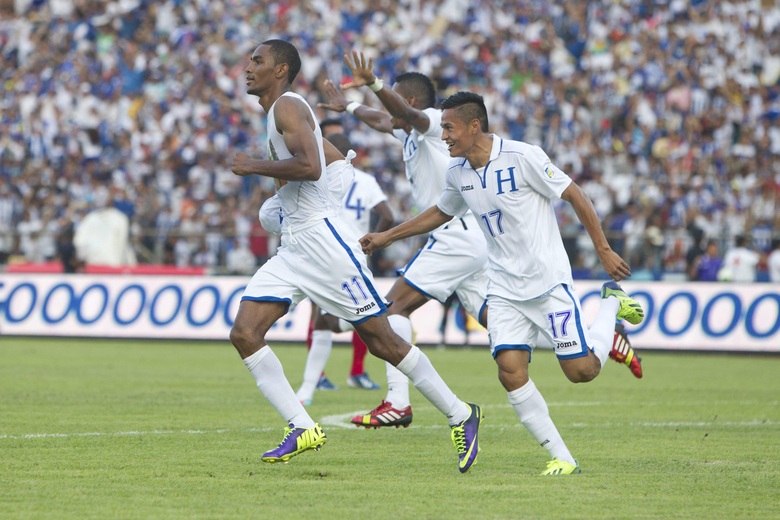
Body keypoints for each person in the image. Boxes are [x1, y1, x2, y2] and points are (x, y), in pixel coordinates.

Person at [360, 91, 645, 476]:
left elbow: (574, 194)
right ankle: (562, 457)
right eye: (442, 127)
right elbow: (440, 213)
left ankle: (609, 304)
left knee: (581, 372)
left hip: (547, 284)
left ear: (474, 125)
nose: (444, 136)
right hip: (505, 289)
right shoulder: (458, 172)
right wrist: (386, 237)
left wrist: (604, 250)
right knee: (510, 370)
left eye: (449, 127)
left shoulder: (522, 156)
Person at [229, 39, 482, 472]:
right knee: (245, 333)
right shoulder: (278, 111)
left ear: (280, 69)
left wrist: (255, 166)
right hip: (296, 248)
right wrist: (288, 204)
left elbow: (310, 166)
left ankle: (461, 414)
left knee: (384, 341)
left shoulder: (288, 107)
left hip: (327, 250)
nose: (248, 67)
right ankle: (301, 426)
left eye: (258, 60)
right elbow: (333, 166)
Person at [319, 51, 490, 429]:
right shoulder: (408, 131)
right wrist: (348, 105)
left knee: (390, 312)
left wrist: (375, 84)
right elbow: (382, 119)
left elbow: (403, 114)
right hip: (465, 239)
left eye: (395, 97)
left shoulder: (431, 123)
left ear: (409, 100)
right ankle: (597, 336)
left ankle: (398, 402)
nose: (388, 106)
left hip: (454, 236)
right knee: (501, 321)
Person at [295, 132, 394, 405]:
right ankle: (358, 375)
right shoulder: (365, 180)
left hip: (326, 256)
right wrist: (372, 241)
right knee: (363, 319)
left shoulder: (319, 179)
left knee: (324, 321)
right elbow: (387, 214)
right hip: (356, 255)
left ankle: (308, 388)